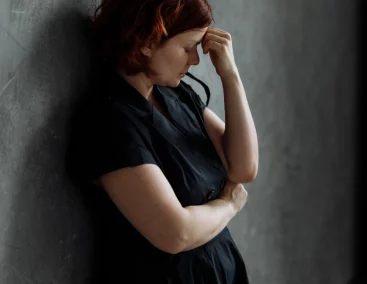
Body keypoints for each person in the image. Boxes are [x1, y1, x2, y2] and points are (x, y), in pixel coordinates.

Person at [66, 0, 259, 283]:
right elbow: (175, 233)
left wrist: (231, 76)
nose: (195, 59)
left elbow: (244, 168)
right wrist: (228, 205)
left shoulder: (176, 96)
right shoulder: (109, 121)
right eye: (188, 47)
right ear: (147, 42)